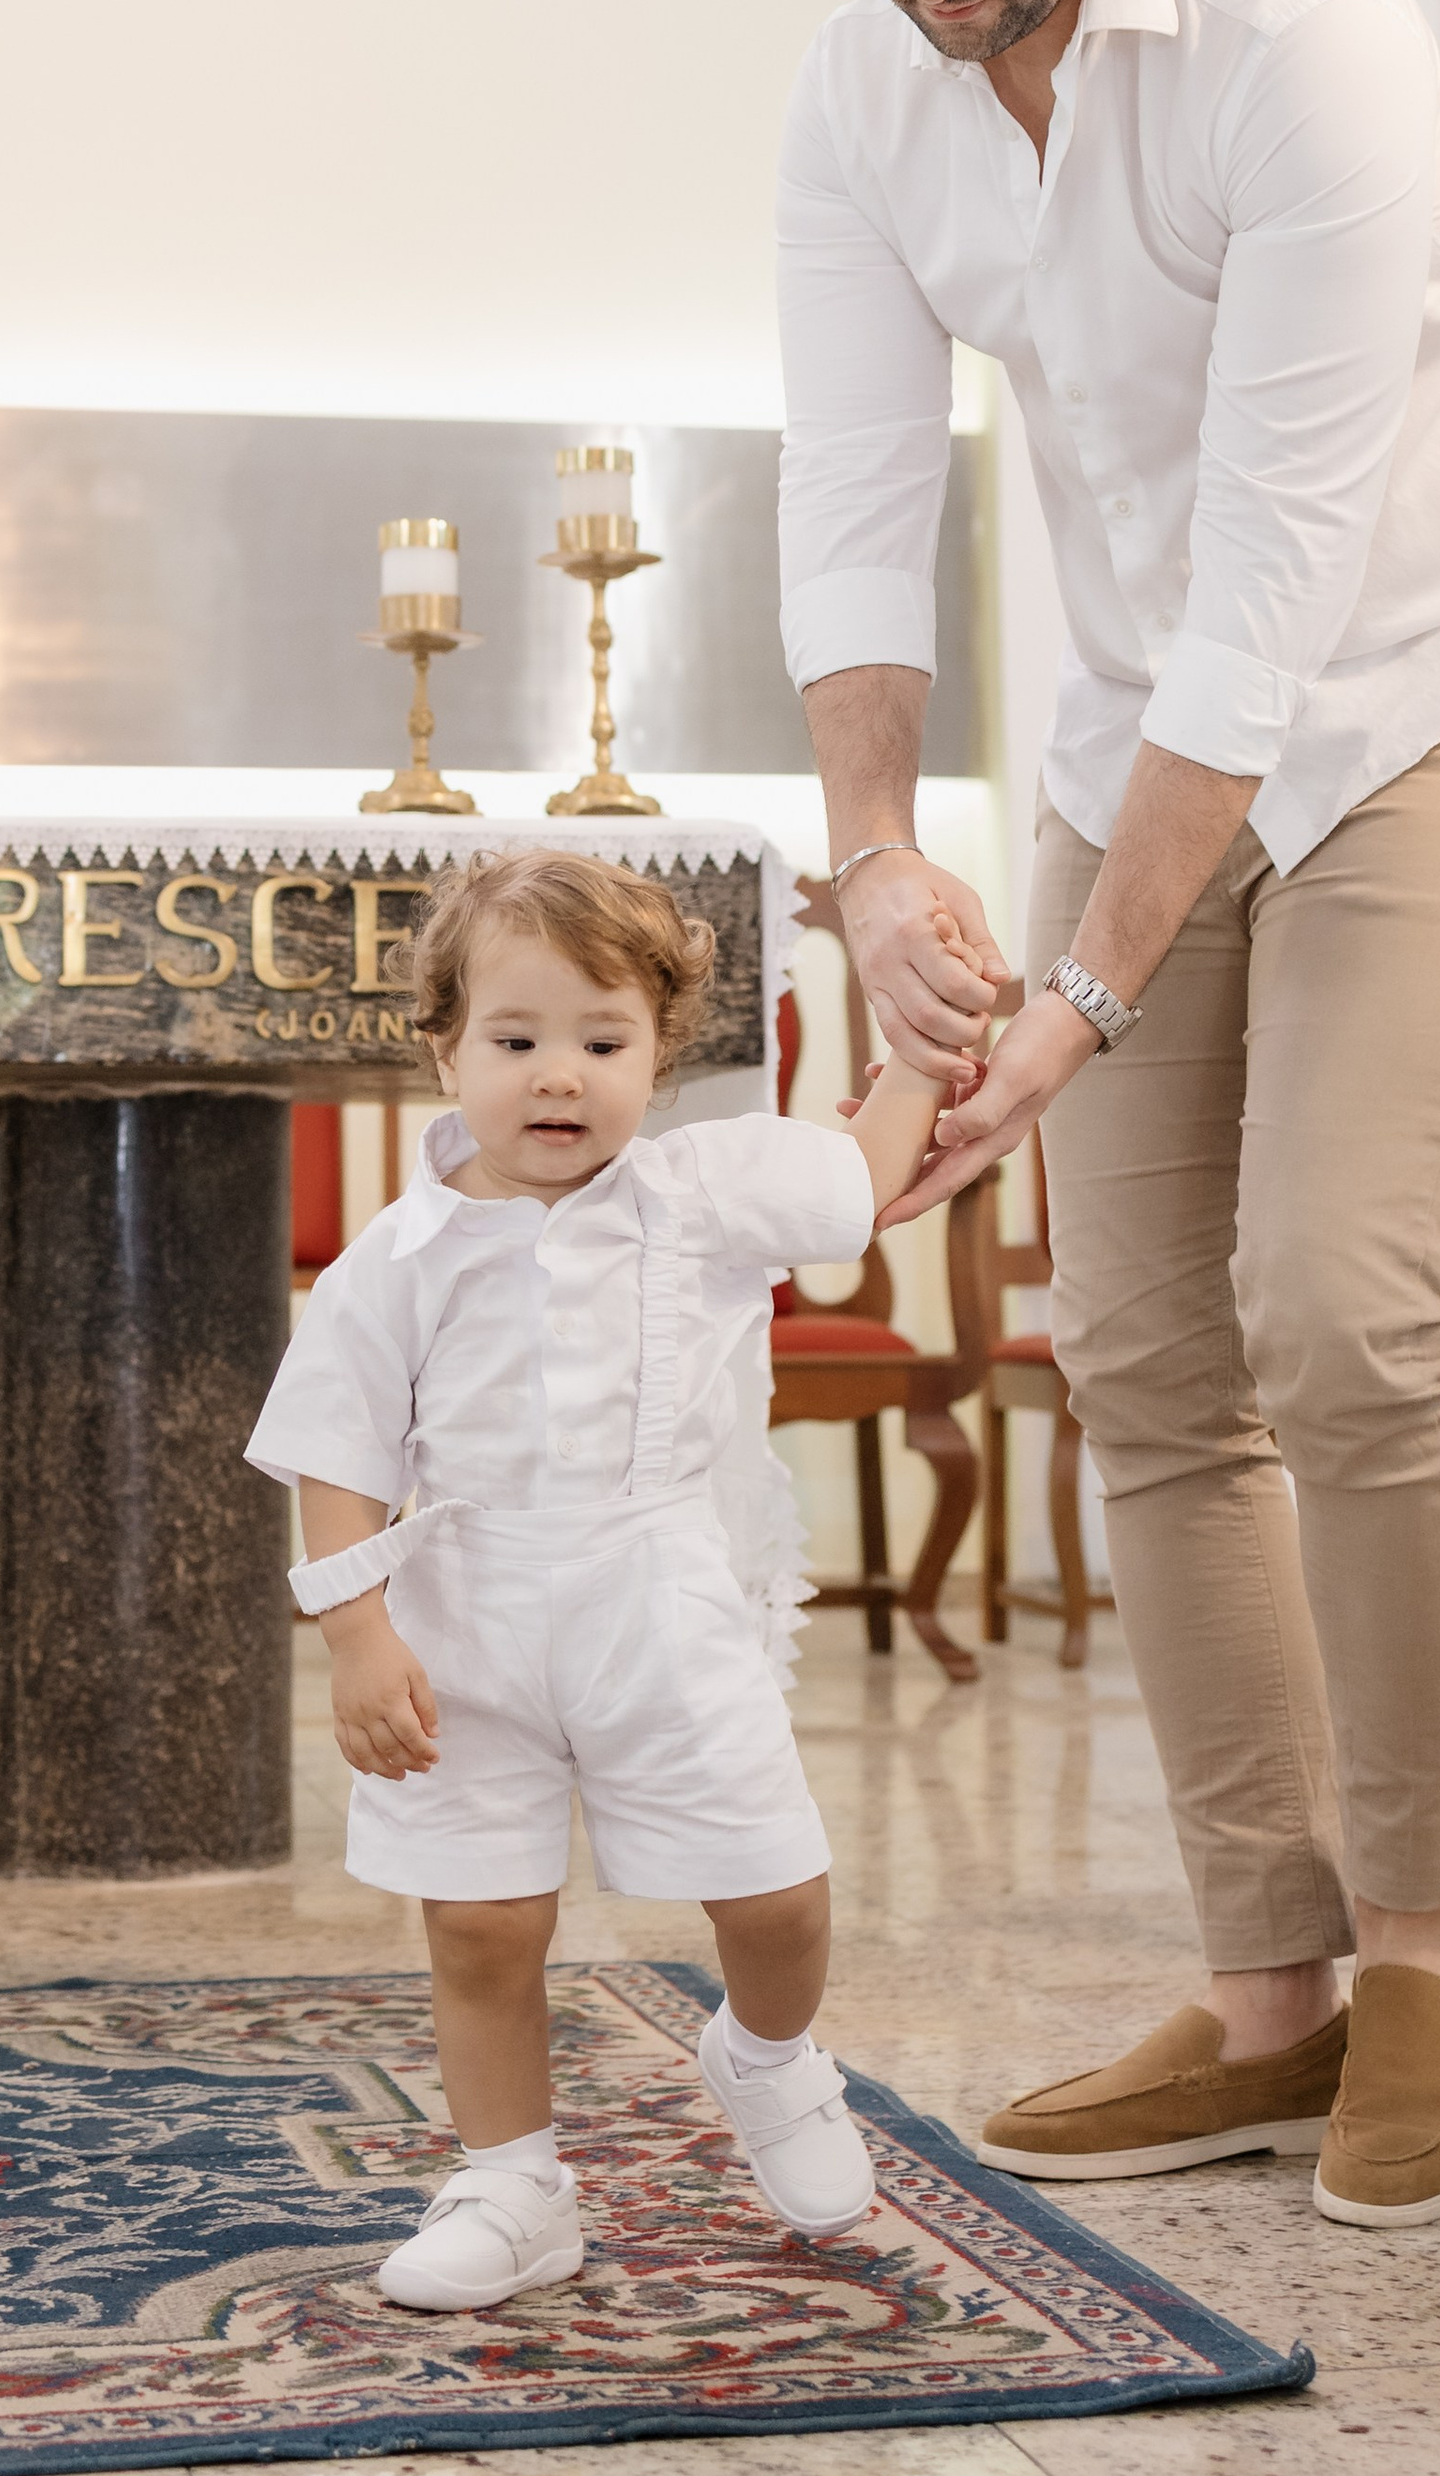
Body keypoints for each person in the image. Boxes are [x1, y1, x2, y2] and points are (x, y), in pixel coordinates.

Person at [779, 0, 1440, 2229]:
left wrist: (1073, 991)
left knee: (1334, 1304)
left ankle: (1423, 1950)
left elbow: (1276, 583)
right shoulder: (860, 92)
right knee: (1139, 1347)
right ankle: (1268, 1994)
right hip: (1146, 737)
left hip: (1436, 701)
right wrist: (879, 867)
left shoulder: (1303, 37)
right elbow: (855, 499)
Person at [246, 846, 955, 2311]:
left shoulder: (704, 1190)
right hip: (464, 1618)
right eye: (515, 1040)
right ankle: (512, 2187)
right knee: (481, 1923)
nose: (557, 1075)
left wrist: (923, 1047)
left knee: (773, 1885)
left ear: (658, 1055)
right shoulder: (398, 1255)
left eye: (603, 1042)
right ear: (445, 1049)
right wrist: (356, 1633)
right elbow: (336, 1448)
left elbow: (861, 1179)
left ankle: (767, 2054)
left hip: (658, 1598)